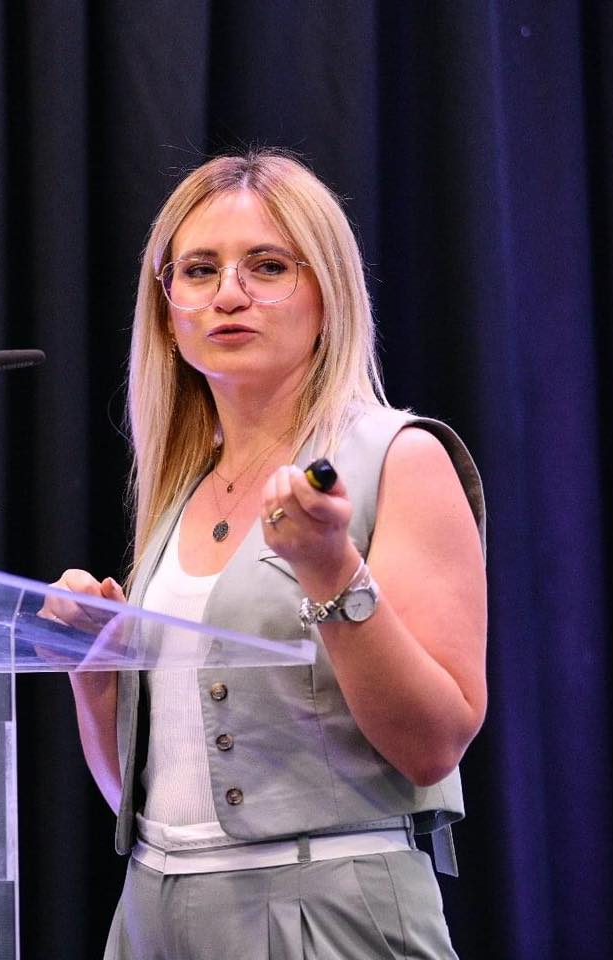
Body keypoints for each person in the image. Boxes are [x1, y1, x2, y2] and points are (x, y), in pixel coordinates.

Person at [46, 150, 487, 958]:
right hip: (151, 913)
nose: (229, 294)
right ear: (167, 312)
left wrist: (331, 569)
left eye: (269, 266)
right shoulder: (182, 488)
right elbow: (147, 795)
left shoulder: (399, 458)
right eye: (199, 270)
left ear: (329, 294)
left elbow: (434, 745)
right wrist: (94, 670)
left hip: (325, 914)